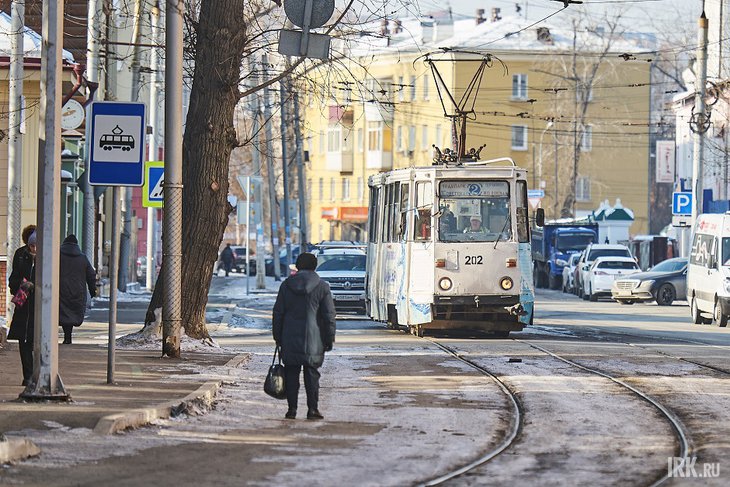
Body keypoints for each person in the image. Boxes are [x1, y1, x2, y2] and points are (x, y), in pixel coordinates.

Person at [272, 252, 336, 420]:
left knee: (291, 373)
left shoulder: (286, 286)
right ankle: (312, 409)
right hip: (315, 339)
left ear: (298, 266)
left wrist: (278, 337)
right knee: (312, 375)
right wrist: (329, 339)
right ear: (315, 266)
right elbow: (329, 316)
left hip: (289, 338)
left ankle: (292, 409)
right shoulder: (322, 287)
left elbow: (278, 313)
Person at [8, 226, 37, 386]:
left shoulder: (47, 255)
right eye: (31, 246)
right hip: (24, 304)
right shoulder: (21, 255)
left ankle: (37, 374)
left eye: (36, 245)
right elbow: (13, 278)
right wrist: (22, 285)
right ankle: (28, 376)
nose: (34, 249)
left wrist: (36, 286)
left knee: (36, 340)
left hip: (39, 305)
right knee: (23, 340)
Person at [59, 235, 97, 344]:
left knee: (61, 312)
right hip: (77, 291)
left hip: (60, 289)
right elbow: (91, 275)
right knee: (71, 313)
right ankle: (68, 336)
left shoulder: (57, 256)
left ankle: (55, 336)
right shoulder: (82, 258)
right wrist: (92, 290)